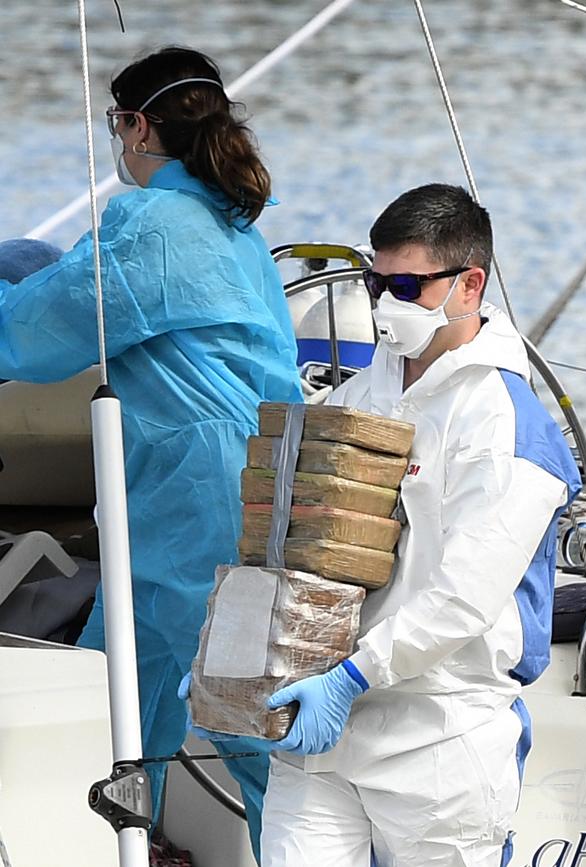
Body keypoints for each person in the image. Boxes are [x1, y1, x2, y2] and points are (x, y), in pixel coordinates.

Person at [0, 47, 302, 862]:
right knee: (112, 699)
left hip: (195, 502)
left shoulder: (151, 225)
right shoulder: (236, 225)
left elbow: (38, 333)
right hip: (249, 487)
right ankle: (111, 847)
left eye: (115, 125)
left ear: (136, 126)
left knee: (235, 725)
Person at [259, 184, 582, 866]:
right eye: (377, 282)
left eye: (406, 285)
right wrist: (240, 650)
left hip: (439, 729)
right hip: (324, 727)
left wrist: (351, 676)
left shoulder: (505, 424)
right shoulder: (358, 395)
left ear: (471, 284)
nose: (383, 305)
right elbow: (298, 544)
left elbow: (464, 597)